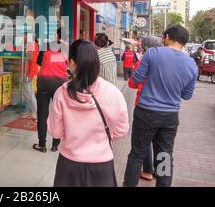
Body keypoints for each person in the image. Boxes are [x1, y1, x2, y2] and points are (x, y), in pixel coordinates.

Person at [123, 25, 198, 187]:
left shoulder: (153, 53)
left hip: (146, 113)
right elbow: (187, 95)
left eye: (163, 37)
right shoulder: (192, 64)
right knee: (164, 156)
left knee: (136, 155)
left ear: (168, 37)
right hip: (170, 116)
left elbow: (135, 80)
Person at [48, 39, 129, 187]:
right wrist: (101, 140)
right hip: (102, 165)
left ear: (72, 63)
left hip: (69, 165)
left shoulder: (62, 93)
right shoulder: (113, 92)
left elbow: (56, 132)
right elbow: (121, 130)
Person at [128, 35, 163, 181]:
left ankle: (147, 171)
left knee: (141, 145)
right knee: (164, 149)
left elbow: (132, 83)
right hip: (168, 112)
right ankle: (163, 177)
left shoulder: (143, 62)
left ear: (146, 47)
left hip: (145, 108)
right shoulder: (169, 63)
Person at [33, 28, 69, 153]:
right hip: (60, 84)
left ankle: (42, 144)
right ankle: (55, 145)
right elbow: (70, 66)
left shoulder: (46, 45)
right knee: (58, 114)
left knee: (42, 115)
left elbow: (38, 62)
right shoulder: (67, 49)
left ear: (56, 35)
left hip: (43, 82)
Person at [23, 35, 39, 120]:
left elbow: (33, 61)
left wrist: (30, 74)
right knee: (27, 93)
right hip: (28, 72)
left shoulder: (32, 45)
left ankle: (34, 112)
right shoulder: (31, 45)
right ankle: (31, 111)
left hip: (30, 73)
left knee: (30, 93)